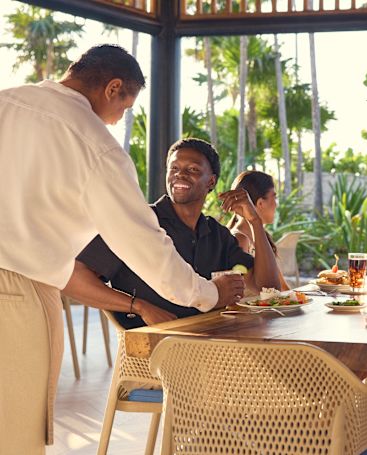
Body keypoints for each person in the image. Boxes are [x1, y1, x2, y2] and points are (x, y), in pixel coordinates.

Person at [0, 45, 219, 454]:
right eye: (124, 107)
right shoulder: (95, 144)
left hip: (28, 280)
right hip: (14, 295)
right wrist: (208, 294)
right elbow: (146, 246)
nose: (118, 120)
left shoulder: (6, 102)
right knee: (13, 435)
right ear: (113, 88)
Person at [73, 138, 282, 330]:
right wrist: (138, 307)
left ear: (211, 181)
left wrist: (254, 221)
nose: (180, 175)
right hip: (153, 348)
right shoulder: (137, 223)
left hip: (213, 345)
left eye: (192, 169)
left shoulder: (217, 235)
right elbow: (75, 277)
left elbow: (268, 287)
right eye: (174, 168)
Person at [227, 170, 290, 290]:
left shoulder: (260, 236)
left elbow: (283, 287)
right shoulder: (240, 239)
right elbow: (253, 292)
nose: (276, 205)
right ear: (260, 203)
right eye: (274, 197)